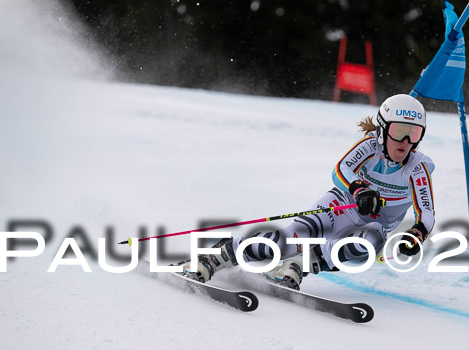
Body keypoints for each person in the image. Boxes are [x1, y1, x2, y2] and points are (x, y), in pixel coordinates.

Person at [183, 94, 435, 290]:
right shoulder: (370, 147)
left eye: (413, 133)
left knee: (369, 243)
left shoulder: (417, 167)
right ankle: (218, 256)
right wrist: (359, 190)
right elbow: (340, 169)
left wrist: (417, 234)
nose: (405, 141)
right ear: (382, 130)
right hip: (337, 208)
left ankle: (300, 264)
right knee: (287, 241)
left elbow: (426, 211)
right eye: (398, 131)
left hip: (371, 226)